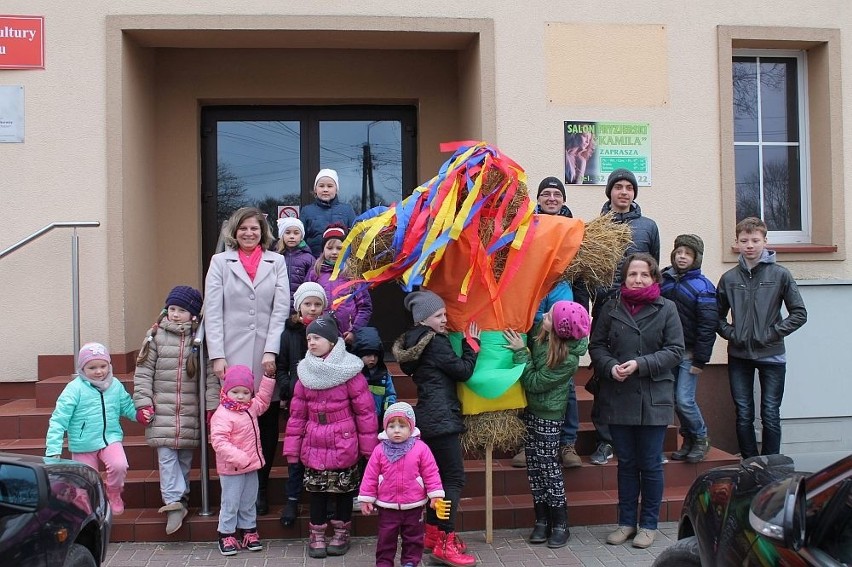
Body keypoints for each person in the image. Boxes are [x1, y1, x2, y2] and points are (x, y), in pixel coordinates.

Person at [589, 253, 684, 549]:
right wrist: (609, 367)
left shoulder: (667, 308)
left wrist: (640, 364)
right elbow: (596, 345)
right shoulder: (612, 306)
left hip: (654, 396)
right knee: (626, 463)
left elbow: (676, 350)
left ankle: (649, 525)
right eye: (633, 274)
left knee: (651, 464)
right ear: (624, 277)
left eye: (644, 274)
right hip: (619, 395)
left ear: (654, 278)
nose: (638, 279)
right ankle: (626, 522)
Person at [204, 206, 290, 516]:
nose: (249, 233)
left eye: (254, 228)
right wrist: (217, 355)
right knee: (236, 422)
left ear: (263, 232)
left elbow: (281, 309)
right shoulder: (220, 262)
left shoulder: (277, 262)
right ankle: (235, 491)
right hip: (232, 355)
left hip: (266, 355)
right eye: (243, 228)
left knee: (264, 421)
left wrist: (272, 351)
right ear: (234, 231)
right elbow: (212, 311)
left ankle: (260, 488)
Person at [392, 290, 480, 567]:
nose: (444, 320)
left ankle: (431, 534)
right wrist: (472, 345)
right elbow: (463, 371)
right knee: (453, 480)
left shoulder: (413, 344)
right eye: (439, 315)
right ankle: (445, 539)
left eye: (444, 314)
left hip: (428, 417)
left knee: (437, 482)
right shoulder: (435, 342)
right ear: (423, 319)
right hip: (442, 417)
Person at [283, 314, 378, 559]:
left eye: (317, 338)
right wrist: (293, 447)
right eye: (309, 338)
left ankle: (341, 532)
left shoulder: (349, 371)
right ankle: (316, 534)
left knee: (344, 489)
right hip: (314, 439)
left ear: (332, 342)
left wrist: (369, 448)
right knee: (317, 491)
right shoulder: (305, 372)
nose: (311, 342)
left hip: (343, 440)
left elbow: (365, 412)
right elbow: (296, 416)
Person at [717, 217, 807, 458]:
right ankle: (749, 463)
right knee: (744, 412)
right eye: (744, 240)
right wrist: (732, 334)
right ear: (736, 243)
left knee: (770, 412)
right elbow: (716, 317)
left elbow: (799, 313)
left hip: (772, 354)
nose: (750, 245)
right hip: (739, 355)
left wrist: (772, 333)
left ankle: (771, 464)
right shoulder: (729, 278)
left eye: (755, 240)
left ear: (765, 241)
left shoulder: (780, 275)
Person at [133, 285, 219, 534]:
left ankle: (180, 500)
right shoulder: (155, 336)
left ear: (193, 314)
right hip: (162, 409)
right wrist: (143, 402)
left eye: (181, 310)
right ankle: (172, 501)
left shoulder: (200, 339)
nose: (175, 314)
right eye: (172, 309)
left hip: (190, 411)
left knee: (183, 458)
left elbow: (211, 376)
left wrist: (212, 406)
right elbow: (143, 371)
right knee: (167, 456)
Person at [503, 301, 590, 548]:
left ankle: (560, 523)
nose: (544, 316)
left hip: (549, 416)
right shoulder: (542, 334)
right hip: (529, 410)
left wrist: (522, 353)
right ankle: (541, 520)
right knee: (533, 466)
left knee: (548, 467)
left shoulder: (568, 359)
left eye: (549, 316)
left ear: (560, 329)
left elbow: (534, 382)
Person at [589, 168, 661, 466]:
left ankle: (639, 437)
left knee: (637, 369)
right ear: (609, 192)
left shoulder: (648, 226)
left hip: (641, 312)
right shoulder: (596, 226)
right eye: (617, 186)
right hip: (608, 308)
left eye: (628, 187)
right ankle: (605, 440)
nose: (623, 192)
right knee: (606, 373)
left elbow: (654, 267)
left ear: (634, 192)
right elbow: (588, 269)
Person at [45, 342, 142, 516]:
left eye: (103, 366)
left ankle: (113, 493)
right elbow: (58, 420)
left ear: (109, 365)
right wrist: (53, 449)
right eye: (92, 367)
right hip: (83, 443)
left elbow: (126, 406)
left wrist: (139, 416)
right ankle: (87, 504)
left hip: (110, 438)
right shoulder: (74, 389)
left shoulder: (115, 385)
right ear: (82, 369)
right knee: (86, 479)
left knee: (119, 465)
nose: (99, 372)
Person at [358, 402, 445, 567]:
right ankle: (384, 563)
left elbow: (431, 473)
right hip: (387, 505)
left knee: (414, 538)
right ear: (385, 428)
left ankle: (410, 562)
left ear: (411, 427)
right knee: (386, 538)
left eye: (402, 426)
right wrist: (366, 498)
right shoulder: (379, 450)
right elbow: (370, 476)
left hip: (414, 504)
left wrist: (435, 495)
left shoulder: (421, 448)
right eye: (391, 426)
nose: (396, 430)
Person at [660, 235, 718, 463]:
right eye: (679, 252)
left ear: (696, 258)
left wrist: (700, 360)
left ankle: (701, 437)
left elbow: (708, 325)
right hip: (668, 351)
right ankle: (688, 439)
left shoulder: (703, 287)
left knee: (685, 399)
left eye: (688, 253)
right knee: (675, 399)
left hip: (689, 353)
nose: (682, 257)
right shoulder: (664, 280)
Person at [275, 281, 328, 528]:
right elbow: (282, 366)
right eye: (308, 304)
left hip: (323, 404)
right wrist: (288, 388)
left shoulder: (330, 332)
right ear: (299, 307)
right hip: (297, 403)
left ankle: (325, 500)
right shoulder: (289, 334)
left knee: (322, 452)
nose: (313, 308)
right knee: (295, 454)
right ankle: (292, 498)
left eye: (318, 304)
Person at [210, 365, 274, 556]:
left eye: (245, 392)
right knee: (231, 502)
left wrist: (268, 379)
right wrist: (240, 458)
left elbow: (262, 401)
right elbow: (219, 442)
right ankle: (226, 534)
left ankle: (249, 530)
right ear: (226, 390)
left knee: (249, 500)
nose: (240, 396)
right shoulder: (222, 414)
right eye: (235, 391)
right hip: (232, 468)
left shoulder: (250, 407)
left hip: (251, 466)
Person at [307, 223, 373, 344]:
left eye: (339, 248)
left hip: (347, 336)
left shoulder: (353, 274)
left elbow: (365, 307)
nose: (334, 252)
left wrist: (354, 331)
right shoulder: (315, 273)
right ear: (323, 249)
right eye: (330, 248)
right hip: (321, 336)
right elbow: (306, 304)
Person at [301, 168, 357, 257]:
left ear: (336, 189)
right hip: (314, 263)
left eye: (330, 186)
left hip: (341, 263)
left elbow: (355, 236)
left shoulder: (347, 209)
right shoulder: (307, 211)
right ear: (315, 189)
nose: (325, 189)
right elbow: (301, 239)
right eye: (321, 186)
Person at [352, 326, 398, 429]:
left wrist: (388, 412)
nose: (372, 359)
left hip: (379, 419)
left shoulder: (384, 375)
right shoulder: (353, 375)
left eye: (375, 355)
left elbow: (390, 395)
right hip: (358, 421)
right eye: (368, 355)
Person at [277, 216, 315, 315]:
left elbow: (311, 283)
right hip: (278, 307)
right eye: (288, 232)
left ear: (301, 236)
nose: (292, 236)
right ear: (281, 235)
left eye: (296, 233)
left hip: (299, 309)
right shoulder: (276, 257)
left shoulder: (308, 258)